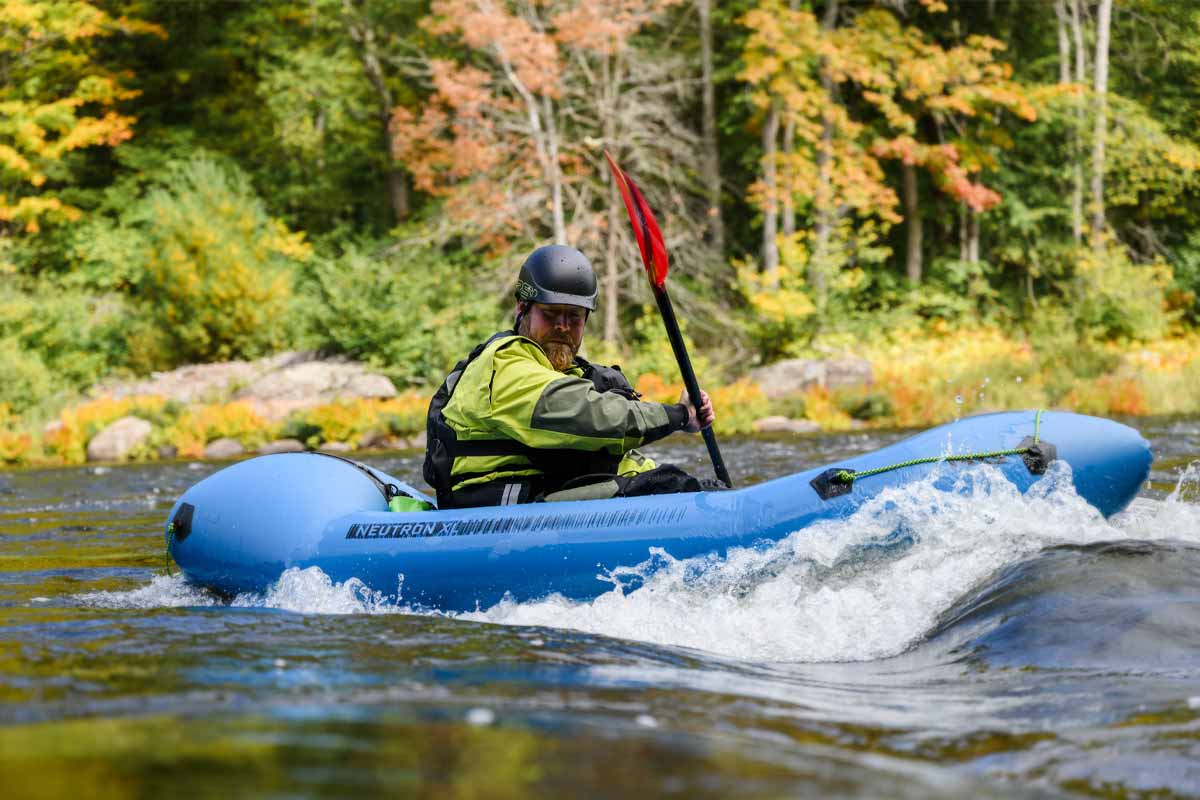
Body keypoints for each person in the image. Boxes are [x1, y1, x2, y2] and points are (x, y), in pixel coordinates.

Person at [423, 244, 718, 509]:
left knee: (678, 483)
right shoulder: (505, 364)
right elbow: (588, 415)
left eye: (575, 316)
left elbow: (620, 460)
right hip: (491, 508)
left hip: (538, 495)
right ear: (522, 309)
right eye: (551, 314)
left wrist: (700, 494)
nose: (563, 326)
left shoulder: (574, 375)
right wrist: (678, 415)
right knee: (665, 486)